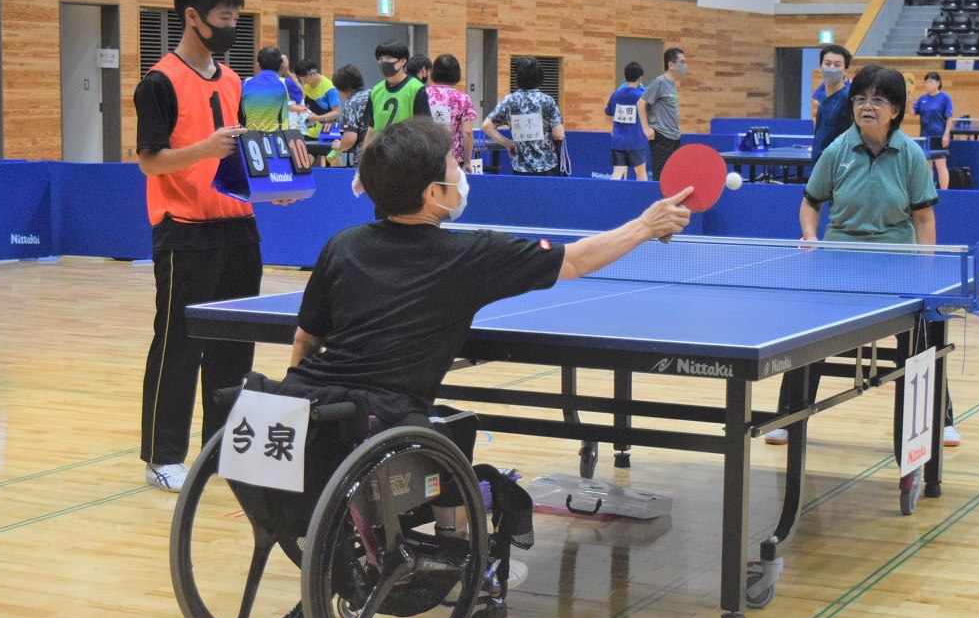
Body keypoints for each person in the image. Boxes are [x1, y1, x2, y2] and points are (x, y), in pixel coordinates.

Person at [276, 116, 692, 434]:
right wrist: (647, 225)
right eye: (453, 167)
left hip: (307, 404)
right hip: (383, 421)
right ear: (432, 194)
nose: (461, 174)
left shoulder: (342, 243)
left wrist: (297, 411)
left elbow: (305, 339)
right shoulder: (471, 254)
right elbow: (578, 260)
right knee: (458, 440)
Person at [766, 63, 960, 447]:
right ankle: (788, 416)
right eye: (860, 99)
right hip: (841, 260)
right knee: (811, 337)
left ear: (896, 110)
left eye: (877, 100)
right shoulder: (837, 151)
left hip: (895, 262)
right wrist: (809, 235)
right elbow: (811, 203)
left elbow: (923, 217)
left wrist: (926, 265)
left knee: (922, 338)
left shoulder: (909, 155)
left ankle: (941, 417)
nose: (866, 106)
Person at [133, 0, 262, 491]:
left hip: (237, 226)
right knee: (179, 345)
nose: (232, 26)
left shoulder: (233, 80)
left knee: (236, 348)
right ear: (193, 17)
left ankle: (222, 451)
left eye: (236, 17)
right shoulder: (159, 81)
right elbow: (150, 161)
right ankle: (163, 456)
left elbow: (235, 157)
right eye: (224, 18)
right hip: (183, 228)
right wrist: (205, 149)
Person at [482, 56, 565, 176]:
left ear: (517, 77)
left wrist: (508, 143)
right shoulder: (547, 101)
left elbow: (486, 126)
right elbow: (558, 135)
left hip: (520, 167)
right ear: (540, 76)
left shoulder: (509, 100)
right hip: (547, 165)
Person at [363, 40, 432, 140]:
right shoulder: (376, 90)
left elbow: (425, 127)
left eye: (389, 58)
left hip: (405, 151)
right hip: (379, 151)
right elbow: (371, 129)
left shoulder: (416, 88)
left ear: (403, 61)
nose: (383, 62)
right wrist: (365, 152)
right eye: (380, 59)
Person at [425, 53, 477, 171]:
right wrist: (468, 162)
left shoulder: (422, 94)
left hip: (426, 156)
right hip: (452, 159)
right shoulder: (462, 98)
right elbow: (467, 132)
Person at [642, 47, 686, 179]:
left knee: (673, 176)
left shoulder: (672, 84)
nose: (685, 65)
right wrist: (646, 128)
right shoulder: (659, 82)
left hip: (674, 137)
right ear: (671, 64)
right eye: (682, 62)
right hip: (662, 137)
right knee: (661, 177)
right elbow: (641, 103)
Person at [604, 61, 650, 180]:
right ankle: (642, 197)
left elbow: (608, 114)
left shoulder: (615, 95)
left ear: (625, 77)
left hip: (618, 141)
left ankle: (611, 196)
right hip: (637, 141)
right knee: (640, 172)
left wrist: (611, 128)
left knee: (617, 172)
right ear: (640, 79)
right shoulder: (642, 96)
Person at [912, 71, 955, 189]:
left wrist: (946, 135)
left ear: (938, 83)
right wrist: (909, 103)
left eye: (930, 82)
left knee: (941, 165)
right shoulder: (922, 99)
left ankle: (944, 192)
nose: (927, 84)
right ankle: (929, 192)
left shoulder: (945, 98)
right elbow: (913, 113)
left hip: (938, 136)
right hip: (925, 137)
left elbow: (949, 118)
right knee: (927, 166)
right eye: (926, 82)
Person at [811, 44, 853, 165]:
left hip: (838, 165)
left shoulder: (848, 97)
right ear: (820, 68)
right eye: (827, 64)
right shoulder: (822, 97)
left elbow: (859, 129)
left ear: (845, 71)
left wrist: (832, 150)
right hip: (818, 163)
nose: (831, 68)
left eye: (837, 65)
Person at [240, 46, 290, 131]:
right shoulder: (285, 83)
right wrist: (287, 71)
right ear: (281, 66)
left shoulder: (244, 83)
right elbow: (302, 94)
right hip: (278, 140)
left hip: (250, 140)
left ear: (258, 65)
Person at [292, 58, 340, 144]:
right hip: (310, 133)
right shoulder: (307, 86)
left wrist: (317, 118)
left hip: (327, 132)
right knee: (306, 157)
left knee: (331, 157)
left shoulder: (329, 88)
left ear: (313, 73)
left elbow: (336, 113)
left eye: (305, 78)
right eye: (301, 78)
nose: (304, 81)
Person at [332, 64, 370, 168]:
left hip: (365, 160)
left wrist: (339, 146)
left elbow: (350, 138)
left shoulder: (352, 103)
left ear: (344, 88)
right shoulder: (374, 94)